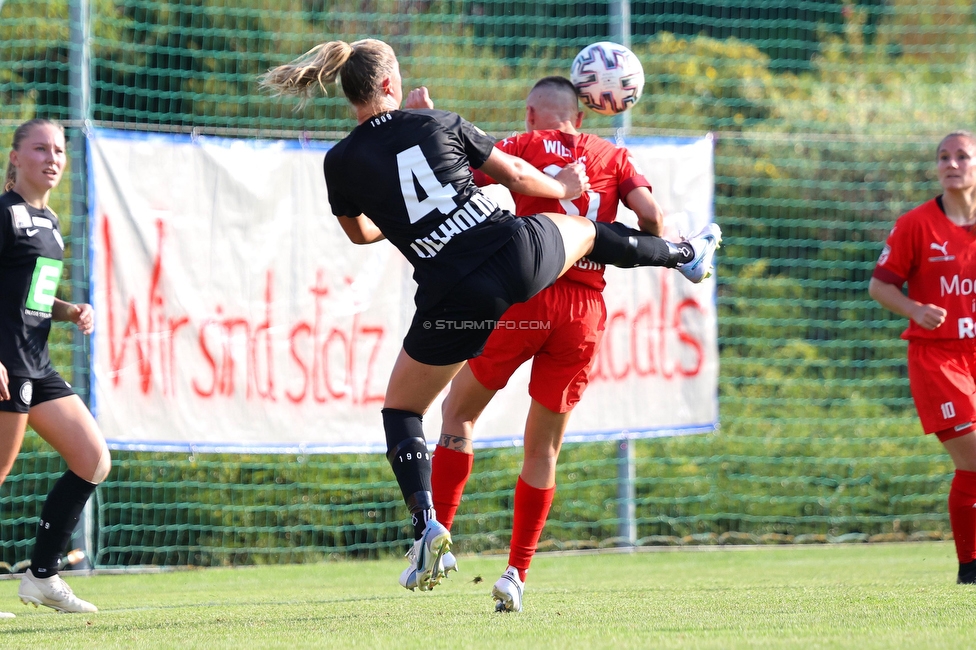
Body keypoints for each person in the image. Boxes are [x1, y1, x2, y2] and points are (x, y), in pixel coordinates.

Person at [261, 38, 721, 593]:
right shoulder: (439, 124)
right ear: (390, 85)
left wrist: (405, 221)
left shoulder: (338, 162)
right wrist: (564, 187)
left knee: (404, 410)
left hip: (450, 298)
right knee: (589, 234)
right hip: (516, 262)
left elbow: (360, 234)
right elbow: (521, 180)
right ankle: (684, 255)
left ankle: (427, 527)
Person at [422, 75, 719, 612]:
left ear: (532, 113)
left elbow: (454, 172)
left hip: (525, 297)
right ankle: (516, 573)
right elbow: (651, 219)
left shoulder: (521, 144)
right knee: (543, 449)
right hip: (582, 312)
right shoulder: (613, 154)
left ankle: (439, 536)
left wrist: (432, 117)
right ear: (580, 117)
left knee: (458, 413)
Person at [1, 118, 110, 614]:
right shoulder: (4, 214)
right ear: (16, 156)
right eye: (40, 149)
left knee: (93, 459)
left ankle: (41, 575)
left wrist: (70, 311)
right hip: (6, 363)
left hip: (36, 363)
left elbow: (34, 295)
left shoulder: (50, 223)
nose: (52, 158)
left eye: (60, 151)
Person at [869, 130, 976, 585]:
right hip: (938, 359)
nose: (952, 164)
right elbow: (880, 285)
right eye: (944, 157)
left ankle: (970, 570)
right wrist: (914, 308)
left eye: (962, 156)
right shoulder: (917, 225)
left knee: (972, 469)